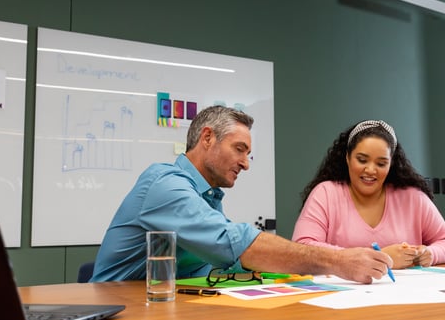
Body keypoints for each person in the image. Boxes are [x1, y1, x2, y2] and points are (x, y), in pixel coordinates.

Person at [90, 106, 392, 284]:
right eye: (239, 149)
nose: (246, 163)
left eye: (248, 153)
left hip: (163, 312)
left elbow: (226, 262)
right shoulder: (164, 184)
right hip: (119, 315)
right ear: (207, 138)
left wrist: (291, 272)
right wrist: (335, 260)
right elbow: (233, 242)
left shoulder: (208, 197)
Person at [293, 120, 445, 269]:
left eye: (381, 163)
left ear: (391, 164)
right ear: (347, 158)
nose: (371, 170)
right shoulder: (325, 193)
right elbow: (302, 248)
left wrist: (430, 254)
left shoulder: (413, 198)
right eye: (362, 160)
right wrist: (380, 257)